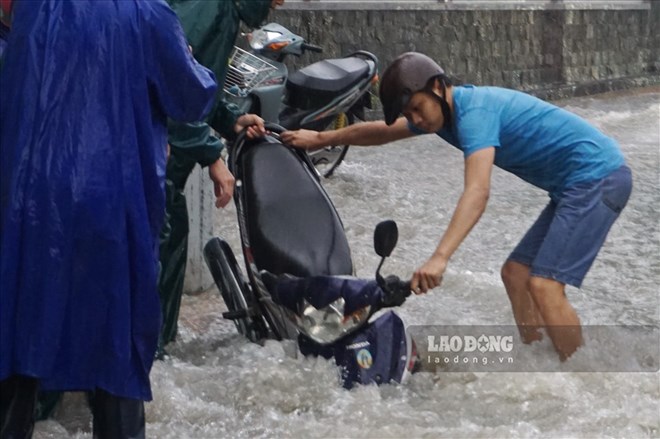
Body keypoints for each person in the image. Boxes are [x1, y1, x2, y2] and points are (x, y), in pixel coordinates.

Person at [281, 52, 632, 361]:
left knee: (544, 285)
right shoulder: (443, 117)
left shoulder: (474, 114)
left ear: (437, 86)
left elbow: (477, 192)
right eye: (409, 113)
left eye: (417, 108)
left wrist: (440, 257)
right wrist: (321, 138)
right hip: (573, 185)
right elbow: (380, 132)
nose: (416, 120)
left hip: (598, 177)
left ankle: (580, 375)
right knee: (515, 274)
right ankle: (539, 356)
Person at [0, 1, 217, 437]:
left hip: (31, 208)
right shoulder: (149, 14)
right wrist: (192, 59)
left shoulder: (31, 11)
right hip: (114, 207)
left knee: (20, 337)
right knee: (117, 347)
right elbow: (192, 97)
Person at [157, 0, 285, 355]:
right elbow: (171, 81)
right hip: (154, 157)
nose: (280, 2)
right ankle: (147, 356)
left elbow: (200, 84)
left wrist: (229, 120)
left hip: (165, 159)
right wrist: (213, 154)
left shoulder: (225, 12)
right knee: (163, 237)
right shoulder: (210, 7)